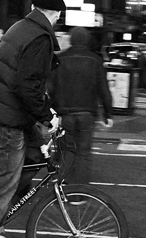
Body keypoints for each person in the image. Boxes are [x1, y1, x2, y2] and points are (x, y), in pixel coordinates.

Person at [0, 0, 65, 235]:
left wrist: (46, 109)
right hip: (7, 118)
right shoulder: (39, 37)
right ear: (57, 14)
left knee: (36, 153)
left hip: (9, 111)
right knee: (2, 181)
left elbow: (24, 79)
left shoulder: (20, 27)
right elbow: (26, 84)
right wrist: (48, 116)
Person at [48, 27, 113, 183]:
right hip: (87, 113)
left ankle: (66, 187)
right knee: (83, 153)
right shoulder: (95, 60)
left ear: (71, 40)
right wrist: (108, 114)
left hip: (65, 114)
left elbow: (51, 88)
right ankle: (80, 192)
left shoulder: (59, 59)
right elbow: (103, 89)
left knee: (67, 151)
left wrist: (51, 111)